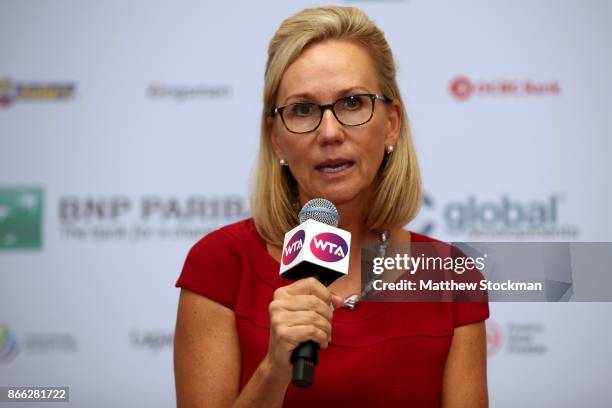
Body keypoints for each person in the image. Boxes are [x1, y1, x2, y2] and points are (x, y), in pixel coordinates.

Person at [174, 6, 488, 407]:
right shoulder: (221, 263)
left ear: (392, 123)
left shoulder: (450, 277)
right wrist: (275, 368)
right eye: (303, 110)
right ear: (276, 138)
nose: (329, 132)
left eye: (353, 103)